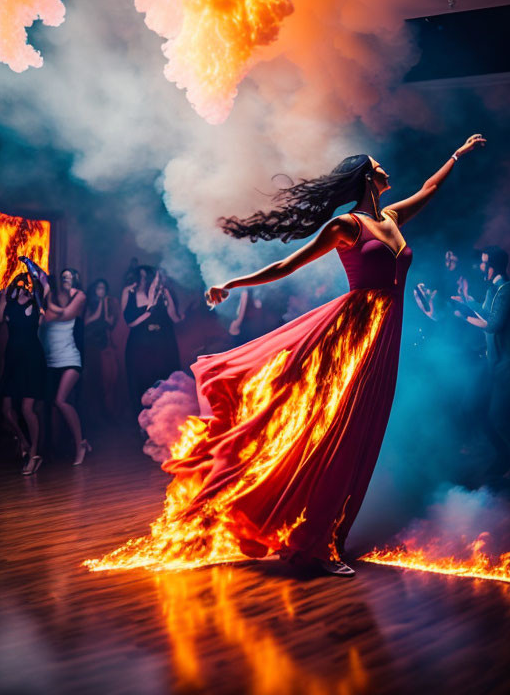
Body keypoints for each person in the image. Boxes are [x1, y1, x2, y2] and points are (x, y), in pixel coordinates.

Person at [91, 133, 486, 578]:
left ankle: (329, 537)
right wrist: (232, 284)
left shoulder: (392, 219)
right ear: (366, 177)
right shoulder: (346, 227)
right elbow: (288, 265)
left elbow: (429, 190)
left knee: (362, 438)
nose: (385, 168)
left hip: (384, 339)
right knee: (333, 433)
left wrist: (456, 154)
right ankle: (313, 541)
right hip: (352, 334)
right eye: (378, 165)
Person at [454, 245, 510, 491]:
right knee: (502, 417)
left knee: (500, 419)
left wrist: (463, 316)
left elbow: (492, 324)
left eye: (483, 263)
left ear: (491, 265)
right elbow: (489, 314)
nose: (480, 267)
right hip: (505, 366)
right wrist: (467, 299)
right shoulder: (498, 289)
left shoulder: (506, 289)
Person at [0, 272, 46, 475]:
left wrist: (36, 289)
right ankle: (24, 443)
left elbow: (43, 304)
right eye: (19, 285)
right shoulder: (8, 307)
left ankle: (34, 454)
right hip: (13, 361)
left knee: (27, 409)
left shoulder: (36, 308)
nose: (23, 288)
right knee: (6, 409)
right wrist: (4, 297)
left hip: (32, 361)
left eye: (26, 286)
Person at [42, 268, 89, 465]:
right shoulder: (54, 298)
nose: (66, 280)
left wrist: (46, 296)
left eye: (70, 277)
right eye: (64, 277)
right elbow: (46, 320)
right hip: (51, 360)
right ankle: (55, 447)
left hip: (70, 358)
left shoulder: (79, 296)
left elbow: (65, 314)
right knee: (51, 404)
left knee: (61, 401)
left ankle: (80, 445)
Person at [122, 266, 182, 414]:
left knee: (162, 380)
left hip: (161, 344)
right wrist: (149, 311)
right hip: (139, 345)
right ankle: (142, 421)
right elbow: (129, 321)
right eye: (140, 277)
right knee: (140, 381)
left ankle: (162, 419)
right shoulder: (129, 292)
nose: (143, 280)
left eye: (146, 277)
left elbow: (174, 318)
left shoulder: (162, 294)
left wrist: (167, 297)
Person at [84, 278, 119, 424]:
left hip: (105, 346)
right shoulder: (90, 306)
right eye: (99, 288)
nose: (101, 291)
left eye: (104, 288)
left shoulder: (108, 305)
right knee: (94, 380)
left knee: (110, 378)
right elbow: (89, 321)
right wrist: (100, 304)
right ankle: (97, 415)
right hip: (92, 347)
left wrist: (104, 304)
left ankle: (107, 412)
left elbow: (109, 322)